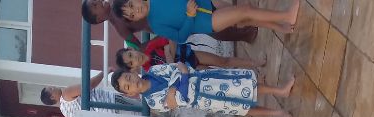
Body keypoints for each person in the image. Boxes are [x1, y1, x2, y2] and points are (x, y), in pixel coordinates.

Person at [111, 63, 295, 117]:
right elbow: (181, 99)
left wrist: (176, 86)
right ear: (130, 94)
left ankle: (281, 91)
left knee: (246, 85)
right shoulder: (152, 102)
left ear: (132, 72)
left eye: (128, 78)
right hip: (205, 100)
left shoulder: (154, 70)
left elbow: (180, 66)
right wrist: (180, 81)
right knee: (243, 107)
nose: (132, 83)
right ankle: (278, 113)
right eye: (127, 87)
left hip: (206, 79)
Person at [112, 0, 300, 43]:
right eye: (132, 15)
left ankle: (281, 27)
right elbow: (180, 37)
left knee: (246, 18)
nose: (136, 10)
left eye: (131, 5)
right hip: (207, 21)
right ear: (134, 20)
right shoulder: (155, 25)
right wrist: (190, 16)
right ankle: (287, 16)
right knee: (245, 10)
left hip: (207, 2)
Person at [82, 0, 259, 45]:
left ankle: (242, 16)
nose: (98, 1)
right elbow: (138, 47)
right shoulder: (120, 28)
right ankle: (245, 34)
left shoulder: (118, 3)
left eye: (95, 1)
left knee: (208, 7)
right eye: (95, 5)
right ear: (99, 19)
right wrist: (162, 38)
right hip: (168, 23)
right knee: (209, 26)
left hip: (166, 6)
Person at [39, 74, 139, 117]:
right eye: (51, 88)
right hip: (110, 103)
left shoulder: (65, 113)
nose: (54, 87)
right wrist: (104, 72)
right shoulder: (66, 94)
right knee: (141, 108)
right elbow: (89, 85)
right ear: (52, 97)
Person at [115, 39, 261, 72]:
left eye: (131, 55)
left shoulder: (151, 47)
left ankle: (255, 63)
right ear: (133, 68)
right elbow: (171, 71)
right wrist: (168, 53)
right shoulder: (150, 71)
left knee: (224, 61)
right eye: (131, 63)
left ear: (131, 49)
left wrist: (170, 59)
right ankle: (254, 78)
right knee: (220, 74)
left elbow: (171, 41)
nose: (135, 59)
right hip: (191, 71)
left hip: (191, 55)